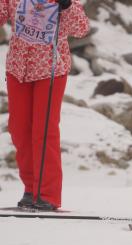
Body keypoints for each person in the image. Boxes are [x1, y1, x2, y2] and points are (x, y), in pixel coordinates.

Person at [0, 0, 90, 210]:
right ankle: (31, 189)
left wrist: (66, 6)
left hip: (50, 69)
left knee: (44, 130)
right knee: (19, 130)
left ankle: (47, 194)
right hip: (17, 68)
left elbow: (82, 28)